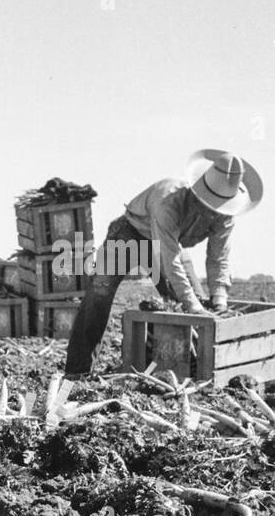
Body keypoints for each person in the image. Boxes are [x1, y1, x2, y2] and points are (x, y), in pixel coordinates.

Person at [63, 151, 263, 380]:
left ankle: (192, 371)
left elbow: (218, 258)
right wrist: (193, 305)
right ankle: (77, 373)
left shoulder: (225, 216)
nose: (213, 212)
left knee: (195, 304)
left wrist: (219, 299)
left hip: (170, 245)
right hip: (129, 234)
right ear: (198, 195)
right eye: (209, 205)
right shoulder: (169, 200)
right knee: (99, 295)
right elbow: (169, 259)